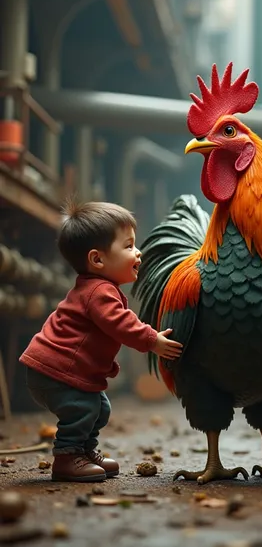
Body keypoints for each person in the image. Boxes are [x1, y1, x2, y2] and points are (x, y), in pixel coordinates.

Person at [20, 201, 182, 483]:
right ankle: (67, 458)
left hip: (58, 370)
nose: (138, 251)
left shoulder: (98, 288)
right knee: (84, 408)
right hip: (55, 370)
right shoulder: (99, 292)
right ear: (97, 260)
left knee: (100, 407)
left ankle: (84, 451)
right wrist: (151, 339)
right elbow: (121, 324)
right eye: (129, 246)